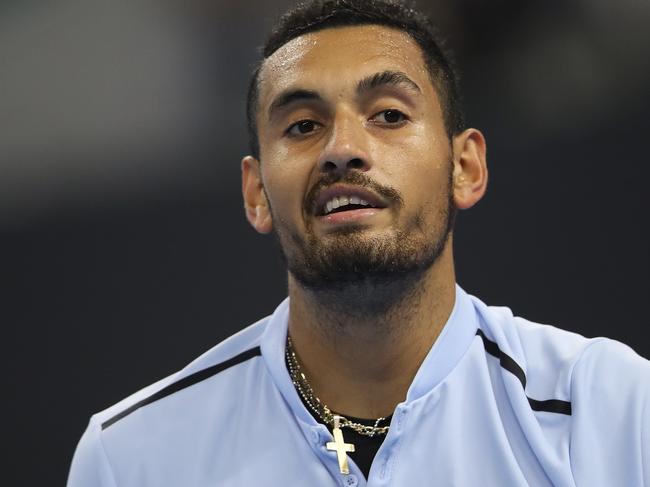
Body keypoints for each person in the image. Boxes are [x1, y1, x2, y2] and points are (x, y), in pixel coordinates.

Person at [67, 1, 650, 485]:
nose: (343, 147)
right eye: (302, 126)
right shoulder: (132, 458)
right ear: (257, 192)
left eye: (389, 115)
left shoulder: (609, 409)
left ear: (465, 167)